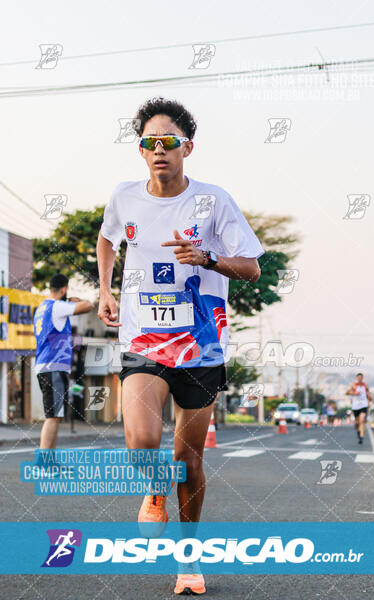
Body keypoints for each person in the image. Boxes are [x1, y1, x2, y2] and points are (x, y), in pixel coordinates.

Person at [97, 97, 264, 595]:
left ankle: (188, 560)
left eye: (169, 142)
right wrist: (105, 289)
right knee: (143, 442)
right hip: (143, 342)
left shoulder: (214, 201)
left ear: (187, 147)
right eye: (150, 143)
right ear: (141, 151)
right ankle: (153, 492)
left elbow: (252, 266)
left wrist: (208, 259)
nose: (159, 150)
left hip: (201, 348)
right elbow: (108, 240)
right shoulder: (124, 197)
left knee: (189, 460)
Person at [33, 274, 94, 449]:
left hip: (46, 365)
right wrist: (76, 300)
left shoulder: (41, 308)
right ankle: (43, 463)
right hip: (53, 366)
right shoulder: (57, 306)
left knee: (56, 416)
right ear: (64, 289)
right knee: (52, 417)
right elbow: (88, 306)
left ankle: (49, 461)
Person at [346, 372, 371, 444]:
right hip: (355, 406)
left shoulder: (365, 385)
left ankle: (361, 436)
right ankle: (358, 431)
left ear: (362, 378)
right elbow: (346, 393)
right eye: (358, 378)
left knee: (362, 420)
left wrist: (369, 400)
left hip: (364, 405)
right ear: (357, 378)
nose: (360, 379)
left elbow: (368, 393)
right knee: (357, 422)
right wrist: (354, 393)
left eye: (361, 378)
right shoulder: (353, 385)